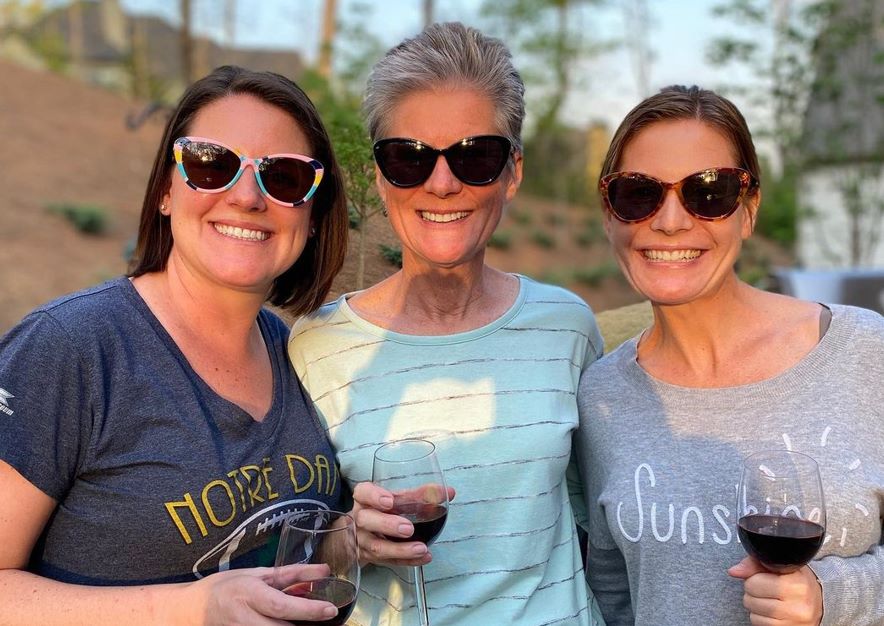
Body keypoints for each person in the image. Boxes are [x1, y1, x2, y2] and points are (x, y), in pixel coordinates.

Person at [0, 65, 351, 625]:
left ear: (311, 214)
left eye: (284, 177)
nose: (247, 197)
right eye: (211, 164)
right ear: (166, 190)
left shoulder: (294, 351)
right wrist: (192, 608)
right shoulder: (72, 349)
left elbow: (277, 545)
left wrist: (351, 539)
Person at [288, 22, 606, 626]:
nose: (442, 183)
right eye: (408, 158)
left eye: (475, 156)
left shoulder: (567, 328)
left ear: (513, 171)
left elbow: (597, 521)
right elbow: (298, 551)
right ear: (381, 178)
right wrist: (350, 539)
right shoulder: (318, 347)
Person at [574, 85, 884, 626]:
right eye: (637, 193)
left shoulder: (864, 353)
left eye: (709, 192)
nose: (670, 221)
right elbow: (612, 594)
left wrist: (834, 595)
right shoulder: (602, 397)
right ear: (609, 214)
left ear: (748, 210)